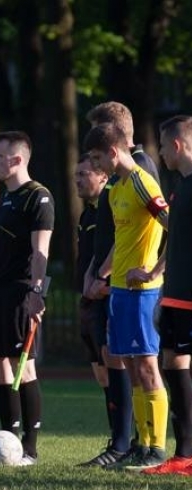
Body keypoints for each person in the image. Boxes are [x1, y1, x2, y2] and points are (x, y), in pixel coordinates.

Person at [80, 101, 162, 466]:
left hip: (143, 292)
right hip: (120, 291)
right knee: (128, 365)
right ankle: (140, 445)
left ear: (113, 151)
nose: (95, 168)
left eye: (98, 160)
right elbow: (120, 240)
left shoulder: (144, 182)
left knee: (146, 366)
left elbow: (176, 229)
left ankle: (157, 447)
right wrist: (102, 273)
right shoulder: (116, 189)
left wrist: (154, 271)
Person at [0, 131, 53, 466]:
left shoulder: (38, 197)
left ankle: (30, 448)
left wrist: (38, 292)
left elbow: (40, 252)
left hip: (22, 292)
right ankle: (8, 441)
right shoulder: (5, 199)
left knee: (23, 367)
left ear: (17, 159)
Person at [140, 115, 192, 475]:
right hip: (175, 295)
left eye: (161, 145)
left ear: (177, 145)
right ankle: (185, 454)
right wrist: (160, 281)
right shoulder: (179, 185)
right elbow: (176, 240)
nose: (158, 152)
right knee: (173, 364)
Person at [72, 153, 112, 463]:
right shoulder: (87, 215)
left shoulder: (111, 208)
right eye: (76, 175)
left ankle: (128, 440)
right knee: (100, 372)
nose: (77, 180)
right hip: (87, 301)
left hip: (105, 298)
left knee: (114, 369)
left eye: (84, 174)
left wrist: (103, 281)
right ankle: (117, 439)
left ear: (102, 176)